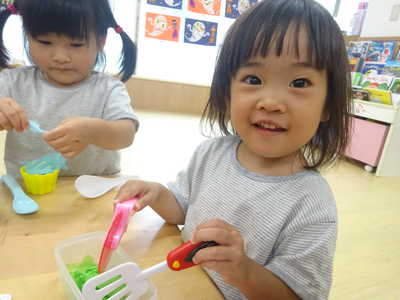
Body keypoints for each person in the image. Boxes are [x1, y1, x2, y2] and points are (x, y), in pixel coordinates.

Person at [115, 0, 351, 299]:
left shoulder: (312, 204)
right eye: (253, 79)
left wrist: (241, 270)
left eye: (299, 82)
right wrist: (156, 193)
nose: (271, 102)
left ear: (328, 104)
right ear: (227, 92)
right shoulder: (212, 154)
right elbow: (181, 209)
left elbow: (300, 294)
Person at [0, 0, 139, 177]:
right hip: (26, 191)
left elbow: (126, 134)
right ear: (28, 36)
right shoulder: (12, 81)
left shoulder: (108, 88)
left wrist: (92, 131)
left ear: (101, 41)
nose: (60, 57)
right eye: (45, 42)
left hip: (92, 189)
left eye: (76, 44)